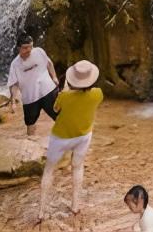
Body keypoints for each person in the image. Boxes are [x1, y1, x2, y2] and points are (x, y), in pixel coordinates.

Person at [38, 60, 104, 221]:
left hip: (61, 137)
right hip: (83, 136)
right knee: (77, 167)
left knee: (49, 170)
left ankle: (41, 211)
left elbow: (55, 109)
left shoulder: (64, 96)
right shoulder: (98, 94)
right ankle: (75, 205)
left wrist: (65, 89)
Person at [7, 35, 59, 136]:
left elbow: (49, 63)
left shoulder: (39, 51)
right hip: (30, 97)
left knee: (60, 117)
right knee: (30, 124)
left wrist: (54, 77)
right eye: (25, 47)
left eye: (31, 46)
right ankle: (30, 145)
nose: (29, 50)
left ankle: (68, 142)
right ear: (19, 48)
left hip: (48, 90)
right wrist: (12, 102)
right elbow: (13, 84)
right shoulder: (15, 64)